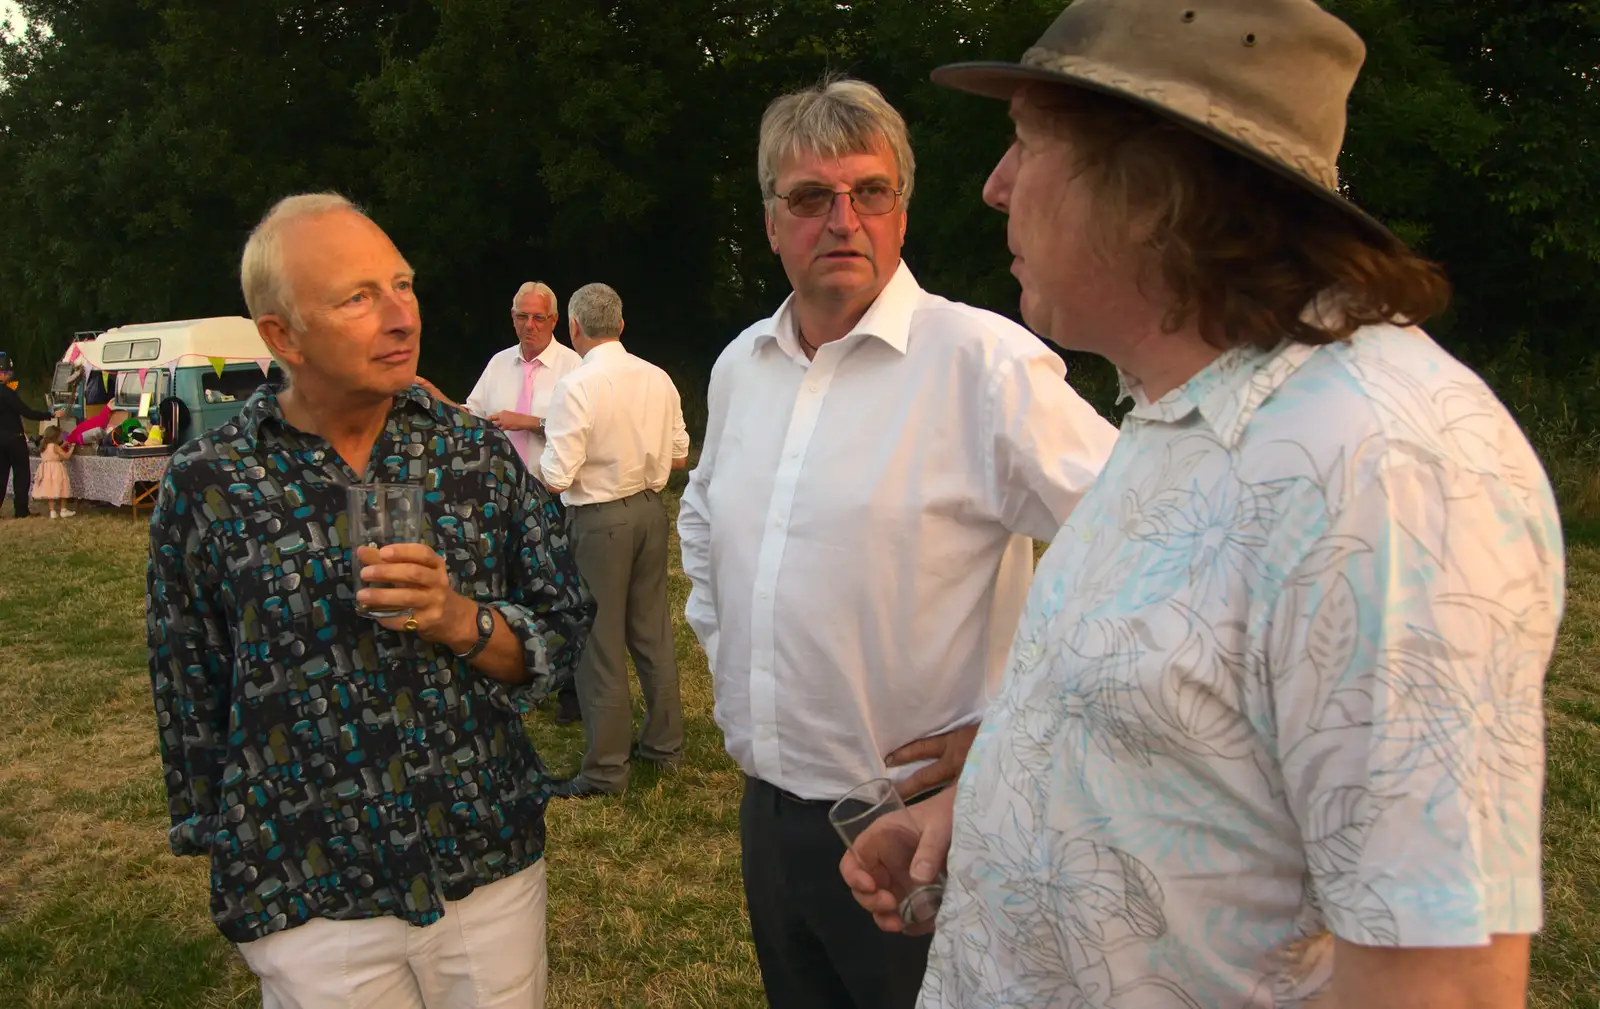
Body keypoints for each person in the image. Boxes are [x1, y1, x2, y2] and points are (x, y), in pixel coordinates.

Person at [842, 3, 1568, 1008]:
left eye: (1024, 145)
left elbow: (1439, 981)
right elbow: (1181, 731)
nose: (994, 187)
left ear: (1153, 190)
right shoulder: (1180, 408)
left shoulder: (1384, 470)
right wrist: (982, 810)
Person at [678, 78, 1117, 1009]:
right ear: (770, 222)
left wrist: (1014, 726)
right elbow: (705, 521)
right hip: (769, 813)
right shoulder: (740, 366)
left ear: (902, 211)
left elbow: (1141, 549)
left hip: (915, 824)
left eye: (869, 192)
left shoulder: (981, 362)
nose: (843, 219)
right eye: (810, 198)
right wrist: (735, 667)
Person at [147, 192, 595, 1009]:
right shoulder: (210, 483)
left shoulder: (471, 454)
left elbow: (563, 626)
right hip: (309, 889)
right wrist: (233, 860)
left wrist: (463, 621)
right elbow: (189, 687)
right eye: (358, 297)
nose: (400, 316)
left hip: (482, 865)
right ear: (281, 335)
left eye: (403, 284)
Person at [538, 282, 690, 798]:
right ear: (621, 325)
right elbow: (678, 458)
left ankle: (605, 770)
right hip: (650, 510)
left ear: (573, 328)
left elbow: (558, 476)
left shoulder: (577, 386)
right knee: (651, 633)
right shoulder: (658, 377)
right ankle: (664, 748)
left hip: (598, 519)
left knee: (598, 643)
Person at [423, 282, 585, 724]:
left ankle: (572, 693)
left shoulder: (574, 366)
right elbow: (472, 416)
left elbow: (589, 429)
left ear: (554, 321)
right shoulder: (499, 364)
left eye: (538, 318)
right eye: (521, 317)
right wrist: (438, 399)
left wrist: (529, 422)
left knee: (563, 589)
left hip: (553, 494)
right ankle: (513, 676)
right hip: (501, 499)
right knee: (509, 584)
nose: (529, 326)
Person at [0, 351, 63, 518]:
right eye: (7, 372)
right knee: (21, 474)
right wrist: (49, 415)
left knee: (1, 475)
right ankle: (21, 510)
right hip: (14, 438)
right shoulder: (7, 393)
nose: (9, 375)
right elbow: (26, 411)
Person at [33, 425, 75, 518]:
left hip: (46, 470)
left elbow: (53, 452)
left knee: (50, 489)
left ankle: (52, 512)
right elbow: (66, 456)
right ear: (56, 437)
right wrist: (72, 447)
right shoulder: (55, 446)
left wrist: (64, 444)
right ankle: (63, 510)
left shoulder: (44, 445)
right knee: (63, 487)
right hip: (56, 469)